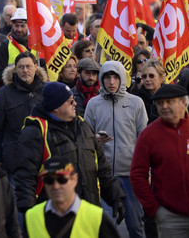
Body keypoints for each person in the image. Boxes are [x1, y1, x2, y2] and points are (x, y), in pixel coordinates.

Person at [14, 82, 125, 219]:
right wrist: (28, 212)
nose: (74, 104)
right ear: (56, 107)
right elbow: (26, 177)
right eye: (70, 101)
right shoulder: (35, 132)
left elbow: (102, 168)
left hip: (88, 212)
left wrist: (116, 197)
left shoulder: (83, 126)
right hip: (55, 217)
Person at [83, 60, 147, 238]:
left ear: (122, 79)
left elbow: (144, 140)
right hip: (103, 176)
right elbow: (85, 139)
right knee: (106, 228)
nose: (111, 82)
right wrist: (95, 140)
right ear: (101, 79)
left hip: (130, 174)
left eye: (115, 77)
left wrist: (145, 170)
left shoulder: (136, 103)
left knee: (135, 226)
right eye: (107, 77)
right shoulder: (93, 104)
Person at [131, 84, 189, 236]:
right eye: (160, 103)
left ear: (183, 102)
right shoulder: (148, 135)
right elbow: (137, 175)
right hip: (171, 218)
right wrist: (155, 209)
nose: (164, 106)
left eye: (169, 101)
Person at [25, 156, 120, 237]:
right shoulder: (31, 217)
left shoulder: (97, 217)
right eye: (49, 180)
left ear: (74, 179)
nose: (56, 186)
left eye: (62, 180)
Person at [0, 52, 46, 177]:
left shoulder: (46, 91)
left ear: (36, 67)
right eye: (21, 67)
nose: (25, 70)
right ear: (15, 69)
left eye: (28, 66)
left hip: (42, 157)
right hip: (14, 159)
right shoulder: (5, 93)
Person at [0, 8, 35, 78]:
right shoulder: (5, 46)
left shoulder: (35, 44)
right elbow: (0, 73)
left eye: (22, 26)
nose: (19, 29)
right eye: (16, 26)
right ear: (12, 25)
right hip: (12, 87)